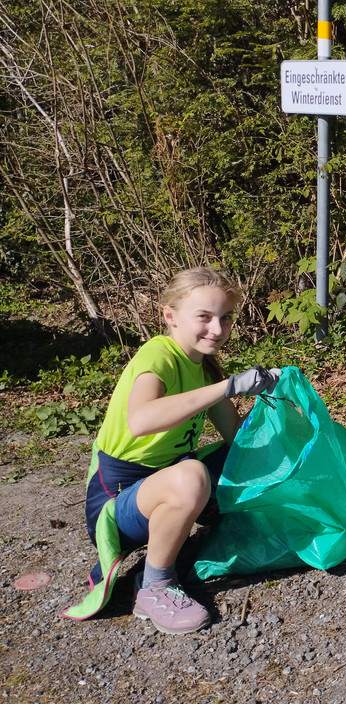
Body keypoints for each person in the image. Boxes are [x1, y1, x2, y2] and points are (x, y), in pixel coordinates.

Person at [62, 267, 281, 634]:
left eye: (226, 317)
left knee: (248, 457)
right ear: (170, 316)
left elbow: (239, 440)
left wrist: (280, 409)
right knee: (191, 477)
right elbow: (141, 420)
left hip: (164, 481)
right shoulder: (158, 355)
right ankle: (154, 586)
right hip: (117, 505)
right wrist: (227, 387)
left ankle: (231, 528)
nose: (217, 329)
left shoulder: (204, 367)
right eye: (204, 317)